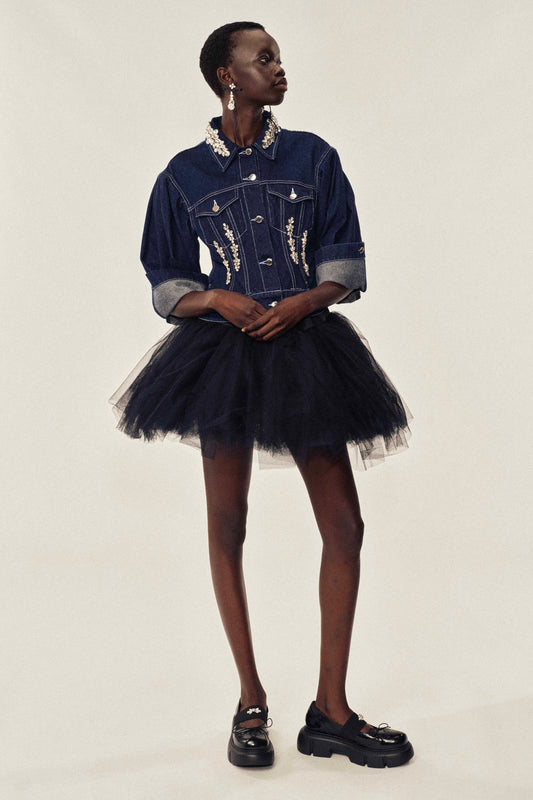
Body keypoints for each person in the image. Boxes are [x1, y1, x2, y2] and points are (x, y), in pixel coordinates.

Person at [110, 21, 414, 769]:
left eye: (278, 57)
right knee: (227, 523)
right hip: (222, 357)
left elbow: (345, 258)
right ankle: (250, 701)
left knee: (344, 526)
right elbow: (166, 278)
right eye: (264, 58)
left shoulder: (313, 156)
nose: (279, 69)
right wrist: (217, 298)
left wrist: (304, 302)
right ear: (227, 75)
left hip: (309, 352)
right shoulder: (182, 175)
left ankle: (331, 711)